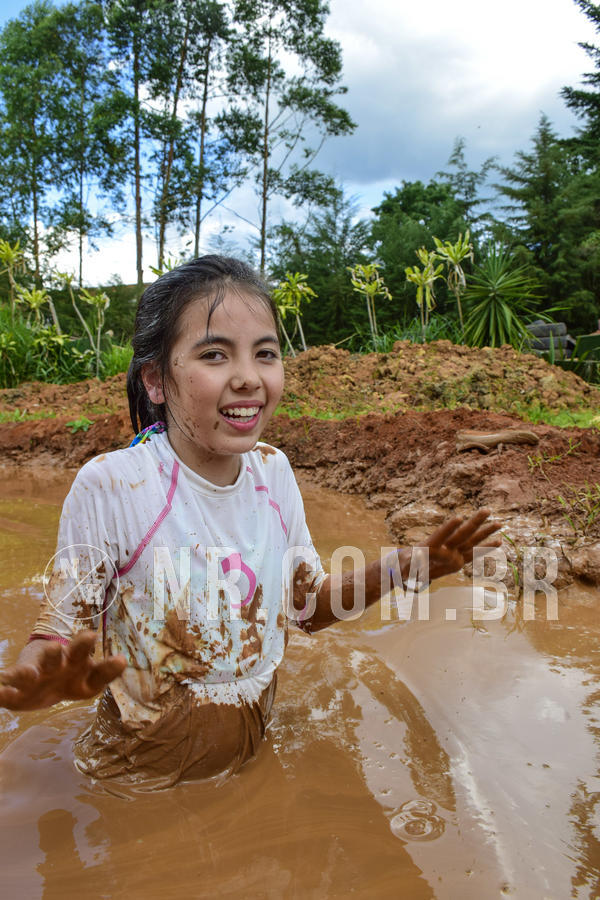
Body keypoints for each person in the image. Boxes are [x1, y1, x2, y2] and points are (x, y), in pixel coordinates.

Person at [0, 256, 499, 789]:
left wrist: (402, 567)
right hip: (134, 779)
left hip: (247, 762)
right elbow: (55, 634)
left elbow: (306, 607)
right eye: (214, 354)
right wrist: (38, 680)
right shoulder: (114, 485)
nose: (248, 378)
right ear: (156, 380)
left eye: (265, 354)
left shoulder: (273, 472)